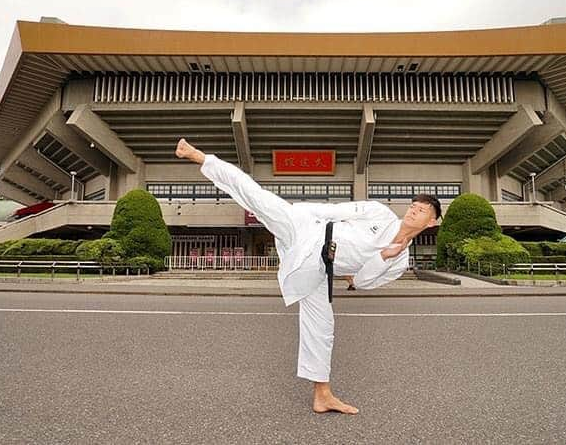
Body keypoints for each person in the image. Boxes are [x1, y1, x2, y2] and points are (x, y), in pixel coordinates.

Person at [175, 138, 441, 415]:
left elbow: (361, 283)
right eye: (413, 205)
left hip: (319, 270)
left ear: (431, 222)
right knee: (257, 196)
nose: (414, 209)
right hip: (307, 231)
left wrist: (382, 257)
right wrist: (295, 212)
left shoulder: (399, 262)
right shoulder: (380, 213)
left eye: (422, 210)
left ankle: (322, 395)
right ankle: (201, 157)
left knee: (322, 330)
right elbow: (334, 211)